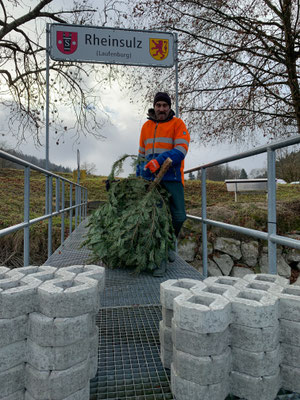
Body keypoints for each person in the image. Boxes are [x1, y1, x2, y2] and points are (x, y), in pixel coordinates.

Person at [136, 92, 190, 276]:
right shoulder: (146, 127)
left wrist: (159, 161)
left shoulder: (178, 124)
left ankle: (168, 246)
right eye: (158, 105)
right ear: (154, 106)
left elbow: (181, 150)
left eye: (164, 106)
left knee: (179, 216)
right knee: (156, 220)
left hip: (172, 178)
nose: (161, 109)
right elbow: (141, 155)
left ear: (169, 108)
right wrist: (139, 175)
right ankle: (160, 261)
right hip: (151, 181)